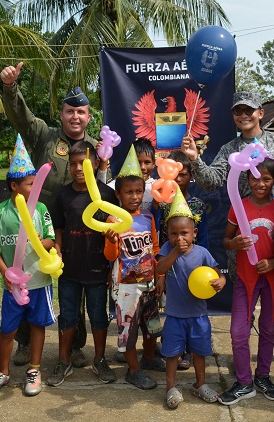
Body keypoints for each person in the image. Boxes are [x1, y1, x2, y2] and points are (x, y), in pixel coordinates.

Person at [0, 61, 103, 366]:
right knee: (26, 277)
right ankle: (22, 340)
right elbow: (21, 116)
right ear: (62, 115)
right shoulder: (44, 135)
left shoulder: (96, 148)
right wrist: (11, 87)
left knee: (76, 285)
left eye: (81, 111)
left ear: (88, 116)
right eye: (70, 111)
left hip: (76, 227)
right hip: (37, 225)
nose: (75, 116)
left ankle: (74, 345)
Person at [182, 91, 274, 281]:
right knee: (245, 293)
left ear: (260, 112)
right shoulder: (229, 150)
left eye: (248, 110)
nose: (243, 115)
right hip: (245, 232)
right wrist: (194, 158)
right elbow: (211, 181)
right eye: (238, 111)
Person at [0, 135, 56, 397]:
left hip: (38, 281)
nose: (35, 188)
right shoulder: (0, 212)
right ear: (15, 185)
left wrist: (39, 244)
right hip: (12, 285)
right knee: (8, 329)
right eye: (30, 184)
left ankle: (34, 369)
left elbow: (50, 239)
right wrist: (6, 273)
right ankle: (2, 370)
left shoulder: (41, 209)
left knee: (38, 326)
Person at [219, 158, 274, 405]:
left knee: (268, 329)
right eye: (255, 178)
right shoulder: (238, 207)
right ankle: (244, 381)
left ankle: (263, 376)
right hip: (245, 279)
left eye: (267, 179)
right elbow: (225, 240)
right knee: (238, 331)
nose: (261, 184)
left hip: (273, 279)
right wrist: (234, 244)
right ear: (247, 179)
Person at [48, 140, 117, 386]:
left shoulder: (107, 194)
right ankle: (63, 360)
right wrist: (57, 249)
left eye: (84, 163)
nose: (79, 168)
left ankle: (99, 359)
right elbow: (58, 227)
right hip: (70, 268)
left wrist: (112, 238)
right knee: (67, 316)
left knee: (98, 316)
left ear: (96, 163)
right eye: (74, 164)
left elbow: (116, 227)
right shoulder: (63, 195)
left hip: (97, 268)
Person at [156, 190, 226, 409]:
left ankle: (200, 384)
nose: (179, 238)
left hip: (198, 314)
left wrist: (221, 281)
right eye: (174, 233)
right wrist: (175, 252)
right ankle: (170, 387)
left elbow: (217, 273)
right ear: (167, 233)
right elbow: (160, 268)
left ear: (194, 233)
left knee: (200, 351)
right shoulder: (167, 249)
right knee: (172, 353)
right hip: (175, 315)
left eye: (184, 233)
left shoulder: (203, 252)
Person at [104, 149, 164, 390]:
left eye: (139, 191)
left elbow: (156, 247)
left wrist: (160, 276)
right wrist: (110, 240)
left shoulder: (148, 217)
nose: (135, 196)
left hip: (149, 282)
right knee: (128, 331)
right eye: (129, 192)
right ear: (118, 194)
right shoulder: (112, 220)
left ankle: (149, 358)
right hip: (126, 286)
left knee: (152, 327)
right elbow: (109, 256)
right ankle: (133, 370)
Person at [154, 150, 209, 371]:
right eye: (174, 175)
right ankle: (173, 346)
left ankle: (190, 348)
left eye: (183, 174)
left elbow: (203, 239)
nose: (178, 179)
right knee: (172, 308)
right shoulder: (162, 204)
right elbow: (156, 236)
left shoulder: (198, 205)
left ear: (190, 175)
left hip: (194, 267)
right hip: (170, 265)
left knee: (192, 304)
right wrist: (159, 275)